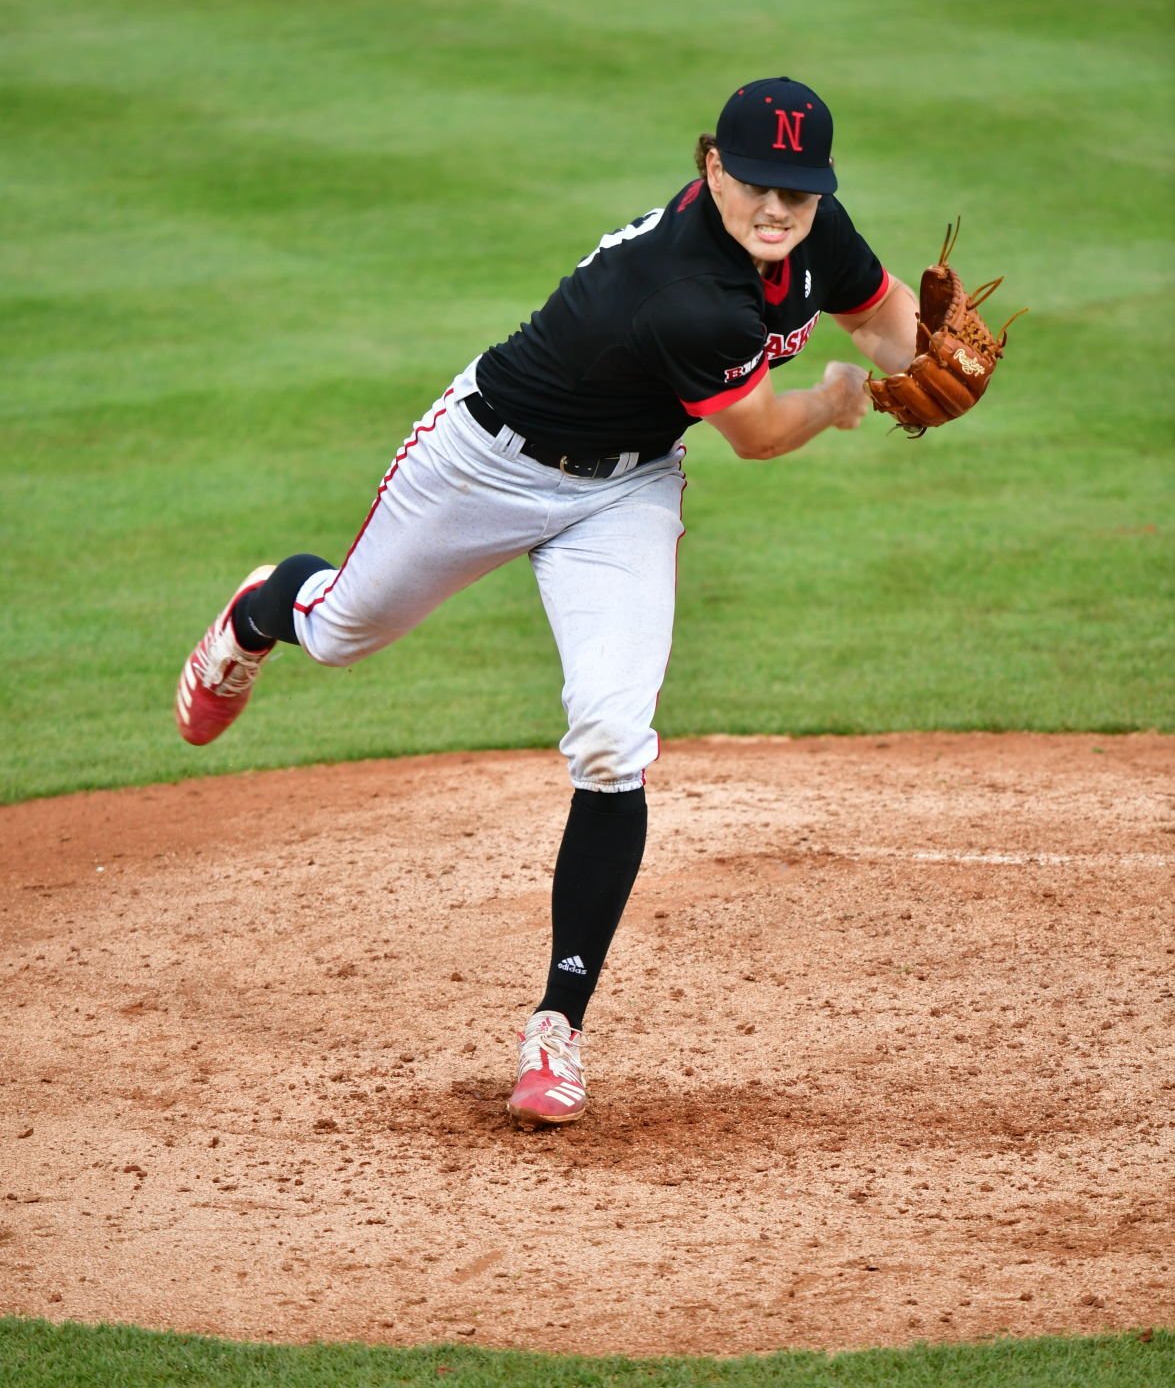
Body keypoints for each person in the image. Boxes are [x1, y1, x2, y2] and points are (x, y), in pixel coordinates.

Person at [175, 76, 918, 1128]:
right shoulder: (681, 288)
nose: (774, 211)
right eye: (754, 185)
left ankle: (554, 1028)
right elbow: (756, 431)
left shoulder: (813, 232)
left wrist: (939, 353)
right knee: (341, 633)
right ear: (712, 168)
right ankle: (264, 608)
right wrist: (839, 399)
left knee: (613, 738)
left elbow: (889, 318)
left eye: (795, 195)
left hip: (623, 486)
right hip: (485, 462)